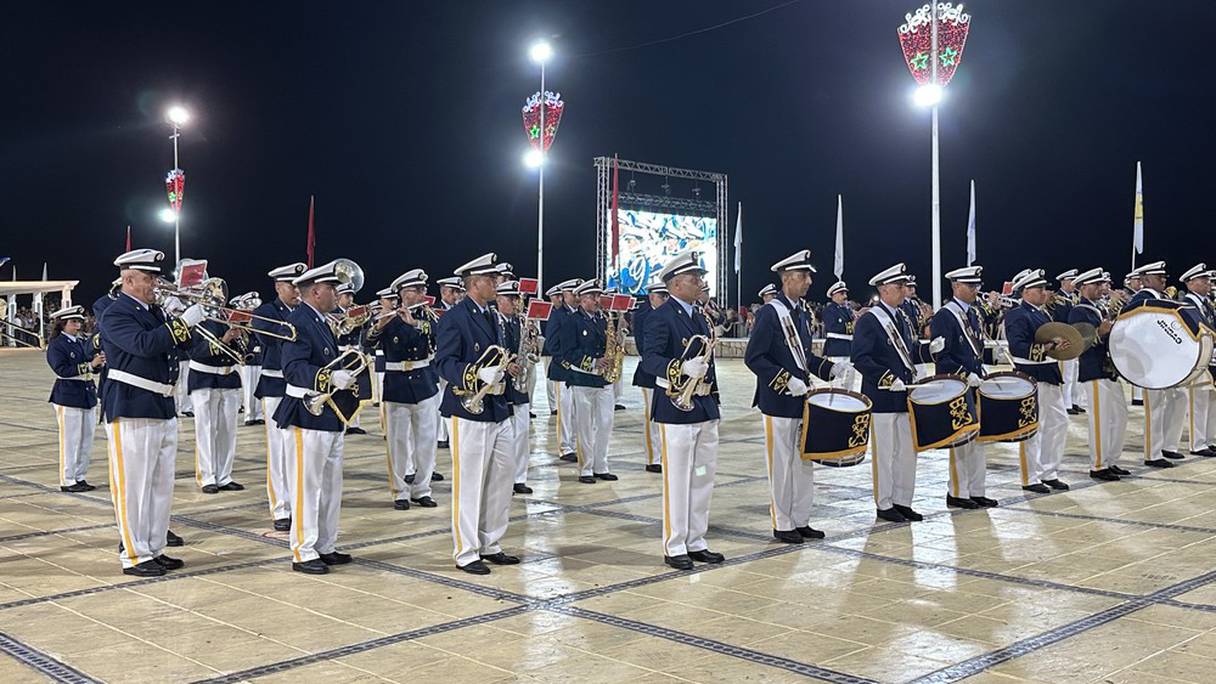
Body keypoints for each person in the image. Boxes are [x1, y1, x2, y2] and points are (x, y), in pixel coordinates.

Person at [101, 248, 204, 576]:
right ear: (128, 279)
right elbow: (144, 345)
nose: (156, 284)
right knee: (134, 485)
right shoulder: (116, 312)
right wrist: (181, 323)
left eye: (157, 278)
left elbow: (185, 348)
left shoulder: (156, 312)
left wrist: (188, 318)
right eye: (149, 278)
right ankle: (134, 554)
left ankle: (154, 547)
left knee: (160, 484)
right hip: (131, 404)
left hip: (161, 404)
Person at [744, 249, 848, 543]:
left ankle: (801, 519)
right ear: (787, 279)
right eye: (804, 276)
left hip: (802, 399)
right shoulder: (770, 312)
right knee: (781, 465)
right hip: (778, 400)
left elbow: (803, 357)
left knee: (803, 463)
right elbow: (754, 358)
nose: (809, 281)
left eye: (809, 276)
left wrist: (829, 368)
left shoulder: (801, 312)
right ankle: (783, 522)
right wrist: (784, 379)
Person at [434, 253, 520, 575]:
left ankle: (490, 541)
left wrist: (505, 368)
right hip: (467, 407)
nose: (498, 284)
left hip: (497, 407)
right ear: (475, 283)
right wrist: (475, 374)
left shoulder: (493, 315)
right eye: (492, 279)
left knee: (502, 477)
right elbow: (443, 362)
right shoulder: (455, 317)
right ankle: (466, 550)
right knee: (469, 482)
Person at [273, 260, 360, 574]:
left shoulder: (320, 320)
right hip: (305, 412)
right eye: (333, 288)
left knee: (330, 485)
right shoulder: (299, 320)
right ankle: (303, 549)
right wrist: (327, 378)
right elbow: (293, 368)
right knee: (307, 486)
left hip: (327, 414)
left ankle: (325, 544)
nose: (337, 293)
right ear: (317, 290)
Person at [640, 251, 724, 570]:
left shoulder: (700, 316)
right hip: (676, 405)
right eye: (694, 278)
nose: (700, 283)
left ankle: (696, 539)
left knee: (703, 475)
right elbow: (650, 359)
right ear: (676, 284)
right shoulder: (660, 316)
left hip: (702, 404)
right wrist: (679, 368)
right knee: (678, 478)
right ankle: (675, 544)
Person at [851, 263, 942, 522]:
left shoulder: (901, 317)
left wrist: (929, 351)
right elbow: (860, 357)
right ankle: (884, 503)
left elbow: (909, 353)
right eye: (899, 286)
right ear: (883, 289)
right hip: (882, 396)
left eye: (904, 286)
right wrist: (885, 376)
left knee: (906, 452)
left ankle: (903, 500)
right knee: (885, 453)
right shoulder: (870, 319)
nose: (904, 291)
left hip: (905, 395)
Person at [368, 268, 441, 510]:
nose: (422, 294)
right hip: (397, 384)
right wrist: (379, 326)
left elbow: (441, 336)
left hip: (425, 384)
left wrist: (417, 324)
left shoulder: (428, 316)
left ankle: (422, 488)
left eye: (423, 290)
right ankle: (399, 491)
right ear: (402, 293)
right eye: (416, 290)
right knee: (398, 443)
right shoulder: (387, 316)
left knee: (427, 441)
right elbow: (366, 342)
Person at [930, 266, 997, 508]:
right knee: (961, 439)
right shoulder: (945, 316)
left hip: (975, 382)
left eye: (976, 286)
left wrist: (978, 373)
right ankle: (958, 492)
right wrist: (964, 375)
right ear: (956, 286)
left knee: (978, 439)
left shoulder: (974, 313)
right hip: (957, 385)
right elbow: (942, 356)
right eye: (970, 286)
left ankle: (977, 489)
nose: (975, 291)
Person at [1004, 268, 1071, 492]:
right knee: (1032, 427)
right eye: (1039, 289)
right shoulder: (1017, 314)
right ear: (1025, 291)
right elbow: (1017, 346)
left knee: (1059, 422)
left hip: (1049, 373)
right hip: (1030, 374)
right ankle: (1030, 476)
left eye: (1044, 288)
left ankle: (1048, 471)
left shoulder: (1042, 313)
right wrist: (1047, 347)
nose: (1044, 292)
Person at [252, 262, 305, 531]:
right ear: (278, 287)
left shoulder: (306, 311)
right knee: (279, 451)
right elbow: (269, 338)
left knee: (299, 450)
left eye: (299, 285)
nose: (296, 290)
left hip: (302, 389)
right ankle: (280, 507)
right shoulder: (266, 312)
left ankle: (298, 503)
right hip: (275, 387)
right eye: (291, 286)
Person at [1123, 261, 1187, 467]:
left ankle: (1169, 445)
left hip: (1166, 359)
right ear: (1147, 280)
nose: (1164, 280)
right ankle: (1153, 453)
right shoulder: (1142, 299)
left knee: (1178, 398)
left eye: (1164, 277)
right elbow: (1131, 326)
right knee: (1156, 406)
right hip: (1151, 360)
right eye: (1160, 278)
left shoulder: (1161, 297)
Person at [1068, 267, 1130, 480]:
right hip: (1093, 370)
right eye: (1096, 285)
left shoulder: (1098, 309)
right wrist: (1099, 333)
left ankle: (1111, 460)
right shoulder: (1079, 311)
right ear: (1084, 287)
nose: (1101, 288)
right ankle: (1098, 465)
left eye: (1102, 284)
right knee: (1101, 419)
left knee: (1119, 417)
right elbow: (1079, 343)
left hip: (1109, 370)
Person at [187, 284, 245, 494]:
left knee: (228, 431)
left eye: (221, 294)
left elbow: (241, 349)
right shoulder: (195, 317)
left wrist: (241, 336)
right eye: (213, 294)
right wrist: (225, 339)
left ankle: (224, 475)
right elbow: (195, 351)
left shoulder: (227, 315)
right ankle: (207, 476)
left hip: (228, 378)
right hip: (204, 378)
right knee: (206, 429)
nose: (218, 297)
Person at [560, 279, 618, 484]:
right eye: (593, 297)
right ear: (582, 299)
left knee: (605, 423)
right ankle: (586, 468)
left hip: (604, 379)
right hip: (582, 379)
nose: (597, 300)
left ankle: (601, 465)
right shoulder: (571, 321)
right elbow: (568, 352)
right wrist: (593, 362)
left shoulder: (603, 319)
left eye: (598, 296)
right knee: (584, 425)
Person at [46, 305, 104, 492]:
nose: (78, 325)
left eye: (79, 321)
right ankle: (68, 479)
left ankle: (80, 476)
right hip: (68, 394)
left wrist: (97, 364)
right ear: (62, 324)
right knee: (70, 440)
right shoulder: (57, 344)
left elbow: (92, 366)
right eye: (73, 322)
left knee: (86, 439)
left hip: (85, 393)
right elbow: (61, 369)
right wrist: (89, 366)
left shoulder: (81, 342)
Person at [494, 279, 534, 493]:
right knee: (504, 436)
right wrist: (506, 364)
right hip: (500, 383)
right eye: (511, 298)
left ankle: (520, 477)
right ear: (499, 300)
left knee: (522, 432)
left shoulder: (520, 321)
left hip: (519, 385)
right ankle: (504, 478)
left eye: (516, 298)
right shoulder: (493, 321)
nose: (516, 302)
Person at [632, 280, 668, 473]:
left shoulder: (664, 313)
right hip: (649, 371)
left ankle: (663, 454)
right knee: (651, 415)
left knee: (662, 415)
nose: (665, 300)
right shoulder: (644, 314)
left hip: (664, 371)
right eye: (662, 297)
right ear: (653, 297)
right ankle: (653, 458)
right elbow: (643, 345)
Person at [544, 278, 582, 462]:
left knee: (578, 411)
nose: (576, 297)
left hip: (579, 372)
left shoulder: (580, 315)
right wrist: (567, 363)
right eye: (572, 294)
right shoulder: (558, 315)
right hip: (563, 370)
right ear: (563, 295)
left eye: (577, 293)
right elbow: (552, 344)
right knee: (565, 411)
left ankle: (575, 444)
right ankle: (565, 447)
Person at [1180, 264, 1216, 457]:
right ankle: (1198, 442)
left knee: (1211, 401)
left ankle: (1209, 439)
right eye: (1204, 280)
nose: (1208, 284)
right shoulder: (1187, 304)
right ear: (1191, 283)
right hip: (1197, 358)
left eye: (1208, 280)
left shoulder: (1207, 303)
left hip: (1211, 357)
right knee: (1198, 401)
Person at [434, 276, 465, 449]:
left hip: (456, 358)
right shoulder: (435, 310)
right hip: (441, 359)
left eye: (459, 292)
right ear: (444, 292)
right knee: (441, 397)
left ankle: (447, 432)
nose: (457, 296)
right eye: (454, 292)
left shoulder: (459, 311)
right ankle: (441, 436)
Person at [335, 283, 369, 436]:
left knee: (356, 388)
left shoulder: (355, 312)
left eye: (351, 296)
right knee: (341, 389)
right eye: (346, 296)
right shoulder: (332, 312)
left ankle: (354, 422)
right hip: (340, 353)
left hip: (355, 352)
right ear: (338, 297)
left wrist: (364, 317)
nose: (350, 299)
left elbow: (366, 329)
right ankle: (341, 421)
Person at [1052, 269, 1084, 414]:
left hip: (1075, 338)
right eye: (1072, 281)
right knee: (1066, 374)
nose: (1074, 284)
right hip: (1064, 339)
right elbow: (1061, 319)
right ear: (1064, 282)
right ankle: (1066, 403)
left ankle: (1074, 400)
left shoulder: (1074, 298)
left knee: (1075, 372)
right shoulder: (1058, 299)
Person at [231, 292, 264, 426]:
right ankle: (249, 415)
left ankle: (260, 414)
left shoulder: (257, 318)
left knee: (258, 388)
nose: (252, 307)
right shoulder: (241, 321)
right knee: (249, 388)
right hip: (248, 358)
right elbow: (243, 339)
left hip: (259, 358)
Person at [821, 281, 857, 390]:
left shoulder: (845, 310)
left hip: (848, 348)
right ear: (834, 295)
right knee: (838, 380)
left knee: (849, 379)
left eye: (845, 294)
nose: (845, 296)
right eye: (842, 294)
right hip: (836, 348)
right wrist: (852, 325)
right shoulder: (830, 310)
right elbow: (833, 327)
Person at [541, 284, 564, 413]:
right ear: (551, 297)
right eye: (557, 296)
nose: (560, 299)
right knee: (550, 379)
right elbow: (545, 332)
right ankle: (553, 405)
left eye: (561, 296)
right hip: (549, 350)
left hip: (562, 350)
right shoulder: (548, 312)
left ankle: (559, 403)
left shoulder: (564, 312)